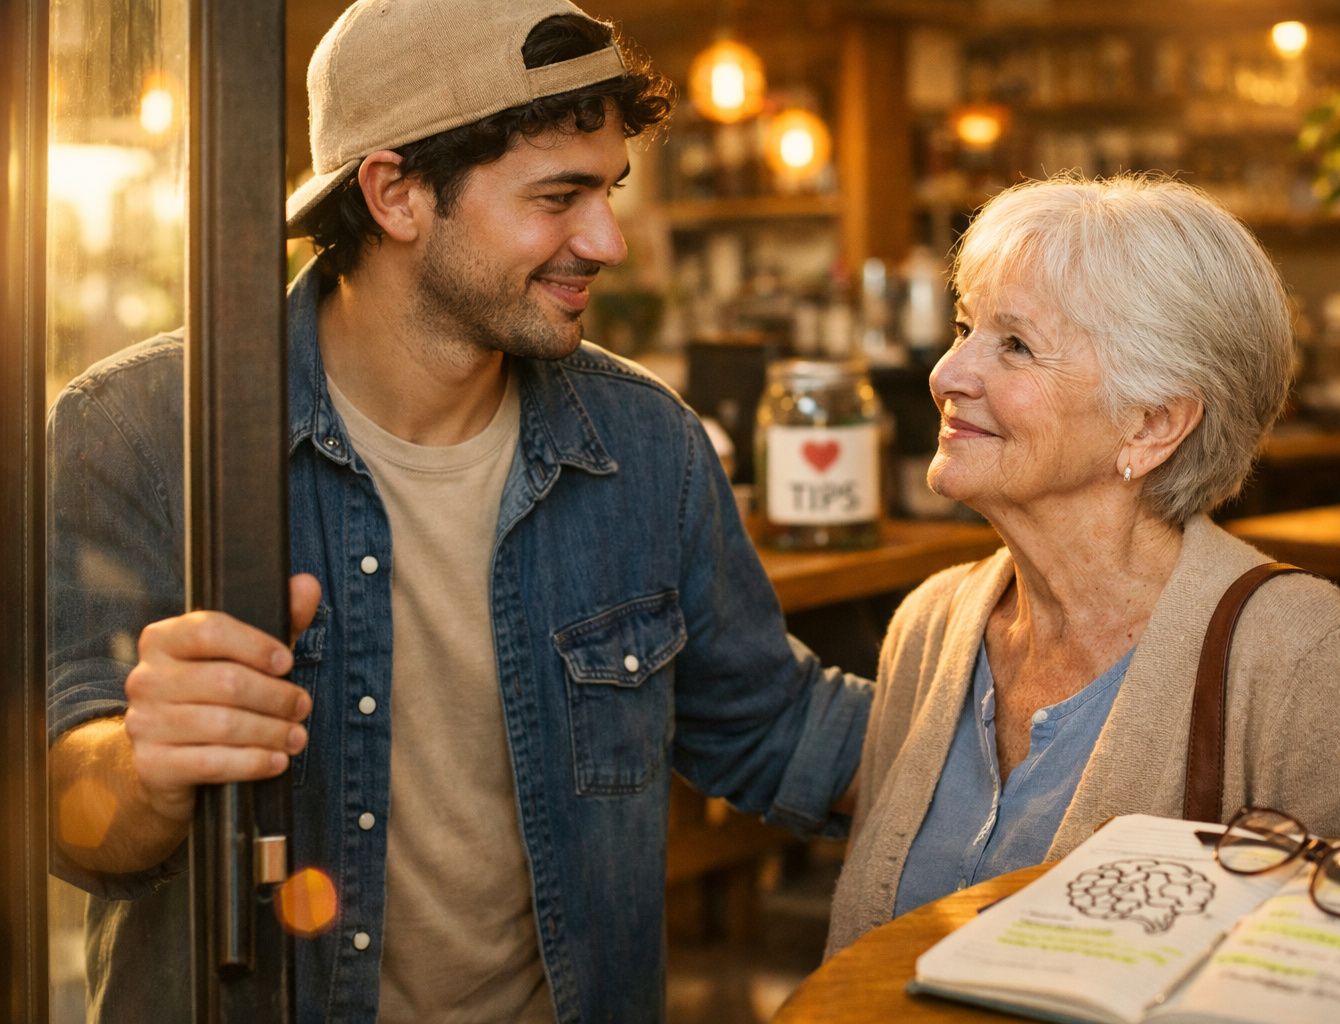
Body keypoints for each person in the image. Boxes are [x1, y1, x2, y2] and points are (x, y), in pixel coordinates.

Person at [46, 2, 869, 1021]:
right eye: (559, 195)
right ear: (394, 194)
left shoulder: (648, 443)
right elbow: (61, 819)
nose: (606, 239)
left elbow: (777, 733)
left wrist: (1064, 725)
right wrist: (145, 764)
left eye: (607, 190)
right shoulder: (138, 430)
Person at [825, 173, 1340, 954]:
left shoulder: (1300, 652)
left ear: (1153, 424)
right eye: (963, 328)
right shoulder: (932, 625)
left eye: (1014, 344)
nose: (947, 374)